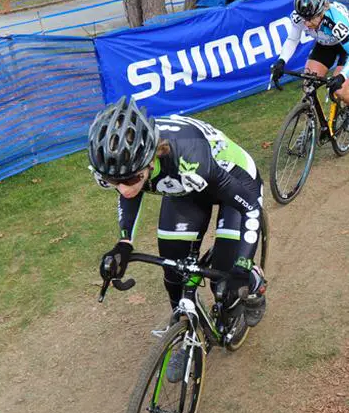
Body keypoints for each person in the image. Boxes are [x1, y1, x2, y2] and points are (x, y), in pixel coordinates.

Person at [89, 97, 268, 336]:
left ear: (151, 158)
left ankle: (256, 284)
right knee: (173, 270)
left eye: (132, 179)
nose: (124, 189)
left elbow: (251, 209)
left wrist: (243, 266)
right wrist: (124, 242)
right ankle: (183, 329)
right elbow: (129, 194)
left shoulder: (188, 157)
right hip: (184, 184)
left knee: (224, 279)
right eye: (114, 182)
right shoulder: (119, 165)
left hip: (232, 178)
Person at [270, 0, 349, 132]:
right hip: (325, 42)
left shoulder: (336, 22)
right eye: (304, 19)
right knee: (308, 85)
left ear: (321, 12)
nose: (306, 24)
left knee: (339, 90)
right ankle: (310, 130)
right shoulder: (301, 16)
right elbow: (293, 39)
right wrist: (281, 61)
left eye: (310, 19)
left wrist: (341, 76)